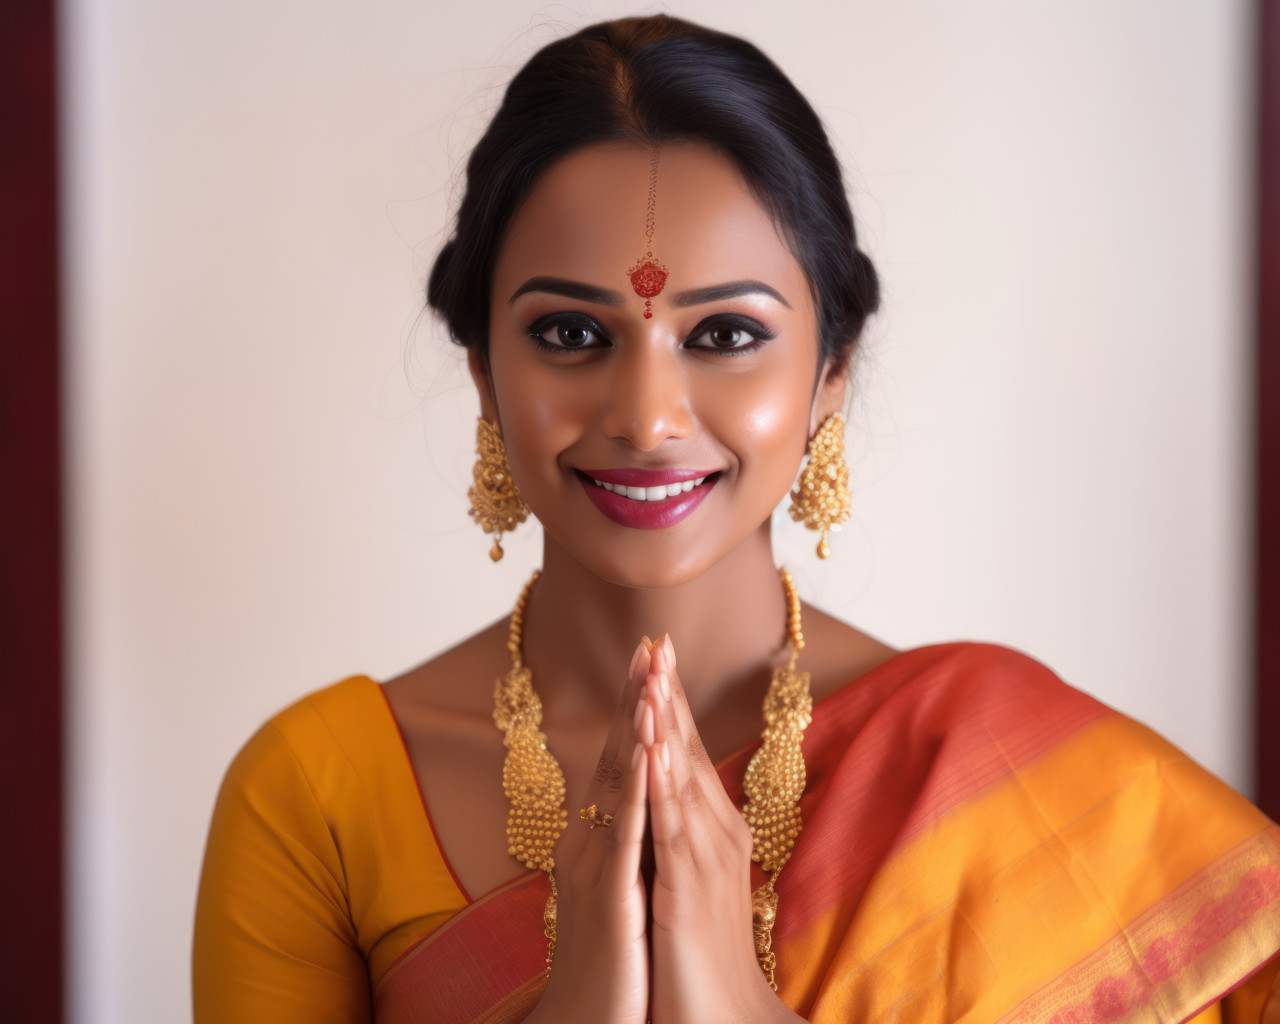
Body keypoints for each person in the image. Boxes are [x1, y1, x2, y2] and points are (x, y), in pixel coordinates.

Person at [192, 14, 1280, 1023]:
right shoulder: (319, 795)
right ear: (482, 371)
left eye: (723, 337)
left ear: (830, 374)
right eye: (571, 335)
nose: (646, 417)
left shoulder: (1005, 775)